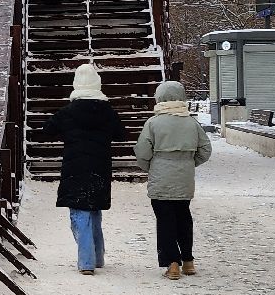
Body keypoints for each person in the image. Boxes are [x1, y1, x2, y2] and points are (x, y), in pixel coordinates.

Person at [46, 63, 124, 275]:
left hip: (75, 167)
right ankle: (98, 257)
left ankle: (86, 262)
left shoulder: (68, 112)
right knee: (95, 211)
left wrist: (69, 134)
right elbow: (121, 134)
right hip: (100, 166)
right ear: (97, 84)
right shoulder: (107, 112)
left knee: (79, 214)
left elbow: (47, 129)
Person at [133, 81, 212, 280]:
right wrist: (187, 163)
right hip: (184, 177)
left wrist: (151, 167)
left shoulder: (153, 123)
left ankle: (172, 263)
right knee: (184, 217)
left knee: (165, 220)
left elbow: (142, 151)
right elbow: (205, 150)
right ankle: (188, 261)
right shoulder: (191, 122)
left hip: (161, 176)